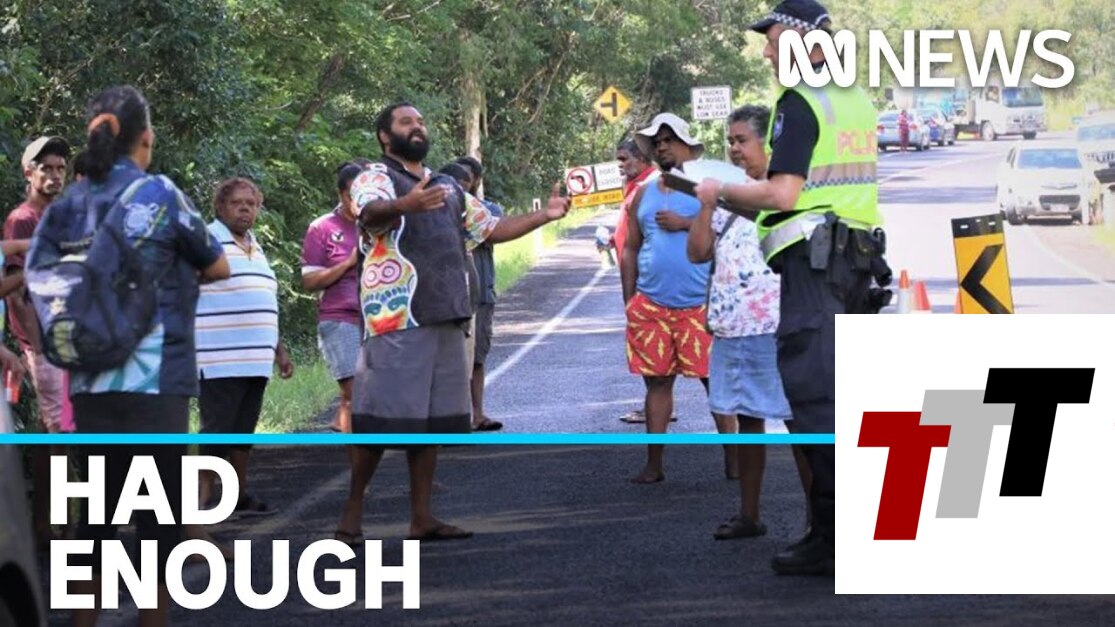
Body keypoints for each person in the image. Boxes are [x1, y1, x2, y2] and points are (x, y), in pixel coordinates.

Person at [695, 0, 888, 576]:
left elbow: (782, 194)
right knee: (840, 396)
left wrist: (718, 192)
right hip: (856, 261)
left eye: (775, 40)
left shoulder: (801, 99)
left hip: (816, 266)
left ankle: (834, 538)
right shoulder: (854, 98)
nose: (767, 52)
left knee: (812, 399)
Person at [28, 85, 230, 625]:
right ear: (146, 138)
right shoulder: (159, 193)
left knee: (94, 518)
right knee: (156, 521)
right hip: (155, 380)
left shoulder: (67, 205)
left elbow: (41, 279)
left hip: (89, 381)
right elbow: (216, 264)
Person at [333, 102, 569, 545]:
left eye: (420, 122)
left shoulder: (447, 185)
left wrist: (545, 215)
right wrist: (406, 204)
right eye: (406, 122)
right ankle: (351, 518)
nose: (417, 127)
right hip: (398, 317)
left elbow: (491, 228)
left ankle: (422, 517)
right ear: (385, 135)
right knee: (379, 421)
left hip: (447, 312)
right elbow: (370, 214)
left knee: (432, 423)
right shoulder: (374, 177)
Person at [686, 105, 812, 540]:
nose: (735, 149)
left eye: (742, 140)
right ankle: (750, 514)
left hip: (777, 327)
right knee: (747, 421)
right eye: (731, 142)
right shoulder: (728, 194)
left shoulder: (789, 193)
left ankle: (819, 521)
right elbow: (698, 252)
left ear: (767, 142)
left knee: (798, 424)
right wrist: (706, 206)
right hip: (733, 326)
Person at [624, 113, 734, 484]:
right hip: (651, 305)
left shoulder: (706, 188)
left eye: (669, 140)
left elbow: (731, 234)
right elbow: (630, 248)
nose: (662, 147)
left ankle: (734, 461)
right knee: (657, 383)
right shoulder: (644, 192)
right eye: (657, 143)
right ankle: (654, 465)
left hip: (700, 305)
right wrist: (630, 299)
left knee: (714, 383)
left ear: (688, 146)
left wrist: (685, 223)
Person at [196, 177, 294, 517]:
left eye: (250, 204)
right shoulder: (207, 239)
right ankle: (200, 497)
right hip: (219, 355)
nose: (244, 210)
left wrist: (279, 350)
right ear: (220, 207)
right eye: (236, 203)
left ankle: (236, 493)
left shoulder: (256, 246)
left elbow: (263, 300)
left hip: (256, 358)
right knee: (217, 430)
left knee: (242, 432)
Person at [6, 135, 72, 550]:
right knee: (57, 431)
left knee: (60, 431)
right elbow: (15, 288)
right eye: (46, 168)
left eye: (60, 168)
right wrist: (37, 344)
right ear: (29, 173)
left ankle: (55, 524)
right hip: (44, 342)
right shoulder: (23, 219)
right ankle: (45, 526)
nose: (54, 175)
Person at [301, 162, 366, 433]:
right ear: (340, 194)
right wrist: (348, 263)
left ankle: (345, 429)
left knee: (373, 396)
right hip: (340, 318)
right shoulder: (322, 227)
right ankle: (356, 451)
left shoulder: (380, 224)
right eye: (352, 195)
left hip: (378, 320)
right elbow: (309, 281)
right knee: (354, 393)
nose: (358, 202)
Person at [452, 156, 505, 431]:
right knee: (452, 360)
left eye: (466, 179)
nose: (461, 185)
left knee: (477, 357)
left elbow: (495, 227)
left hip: (481, 293)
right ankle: (455, 417)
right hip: (451, 299)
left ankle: (478, 413)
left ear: (476, 181)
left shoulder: (488, 210)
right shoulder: (442, 212)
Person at [613, 139, 659, 425]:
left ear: (641, 158)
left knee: (653, 342)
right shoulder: (635, 186)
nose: (619, 165)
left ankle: (659, 403)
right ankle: (655, 403)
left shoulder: (651, 185)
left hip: (650, 279)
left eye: (624, 159)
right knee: (644, 343)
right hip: (637, 276)